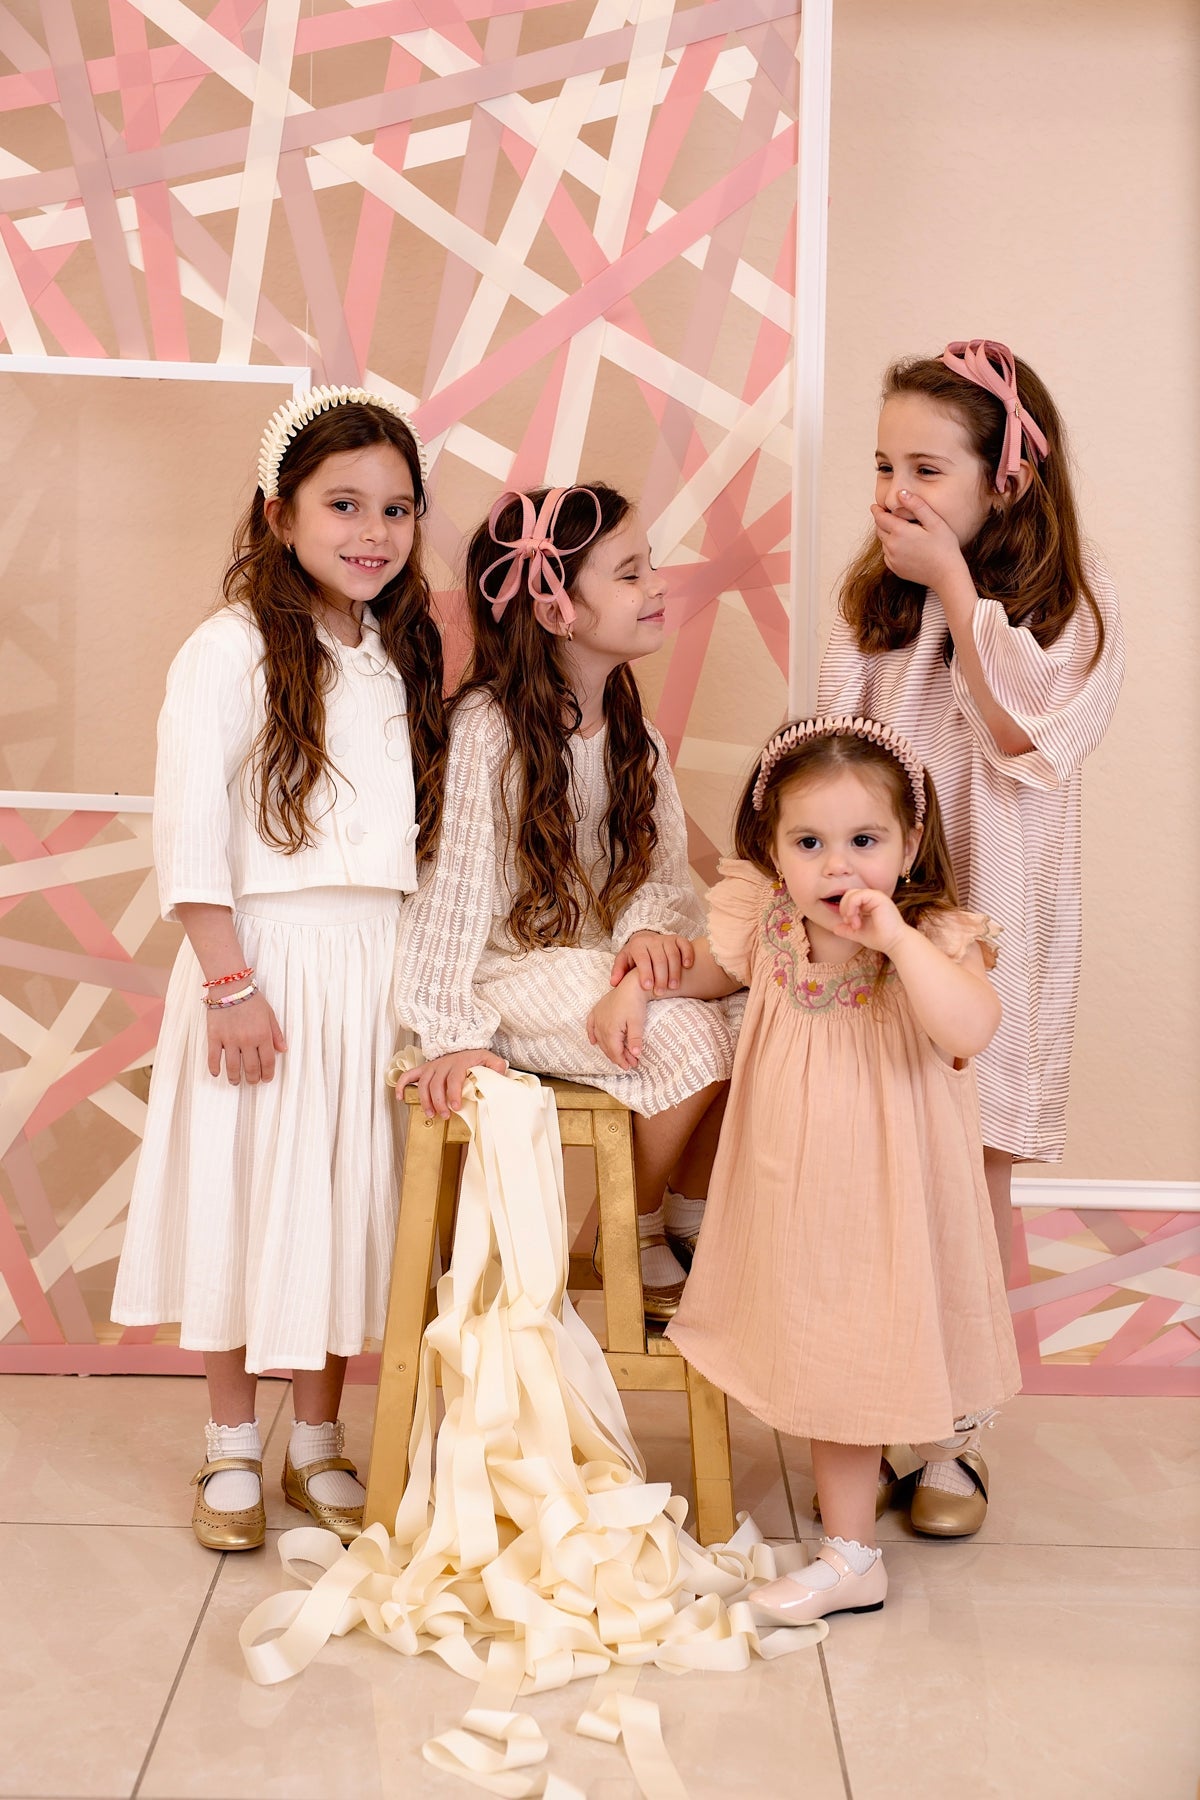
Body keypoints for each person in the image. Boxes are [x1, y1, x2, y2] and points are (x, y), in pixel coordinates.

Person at [591, 715, 1020, 1622]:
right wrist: (636, 983)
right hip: (799, 1188)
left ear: (909, 845)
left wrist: (897, 939)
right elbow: (706, 970)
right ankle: (853, 1543)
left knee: (869, 1348)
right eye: (809, 843)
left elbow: (970, 1027)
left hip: (891, 1193)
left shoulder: (937, 937)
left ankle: (868, 1538)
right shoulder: (772, 927)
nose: (838, 868)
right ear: (774, 851)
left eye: (865, 841)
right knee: (830, 1356)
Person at [112, 387, 446, 1551]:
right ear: (279, 511)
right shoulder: (230, 649)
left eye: (396, 508)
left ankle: (316, 1440)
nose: (373, 531)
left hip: (372, 966)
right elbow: (190, 826)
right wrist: (228, 982)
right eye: (343, 504)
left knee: (341, 1193)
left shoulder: (400, 652)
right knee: (245, 1186)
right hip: (260, 962)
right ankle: (228, 1444)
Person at [818, 340, 1123, 1531]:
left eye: (927, 468)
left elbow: (1024, 735)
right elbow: (834, 752)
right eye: (883, 464)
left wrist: (956, 589)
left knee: (971, 1165)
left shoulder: (1071, 604)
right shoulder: (872, 605)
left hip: (996, 925)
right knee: (875, 1157)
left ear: (1007, 477)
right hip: (881, 915)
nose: (895, 493)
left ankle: (953, 1437)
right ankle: (869, 1405)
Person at [393, 485, 740, 1319]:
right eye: (630, 573)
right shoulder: (488, 731)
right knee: (688, 1036)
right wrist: (450, 1032)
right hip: (502, 976)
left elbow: (657, 872)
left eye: (649, 565)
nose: (657, 585)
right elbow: (451, 897)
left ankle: (686, 1215)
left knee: (756, 1014)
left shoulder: (632, 733)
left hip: (600, 965)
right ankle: (631, 1228)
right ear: (557, 610)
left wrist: (646, 942)